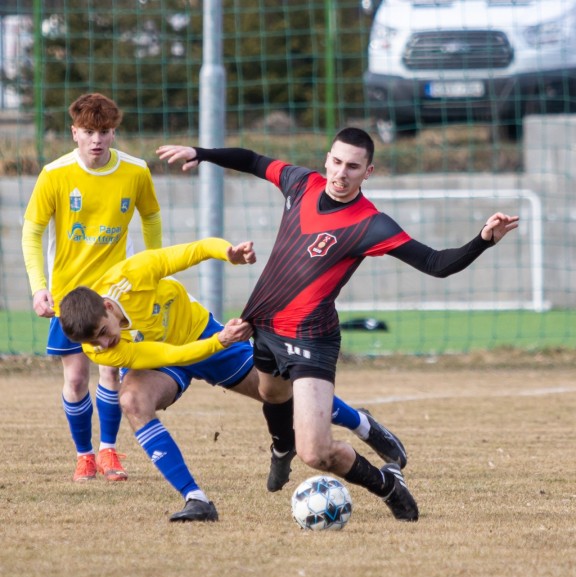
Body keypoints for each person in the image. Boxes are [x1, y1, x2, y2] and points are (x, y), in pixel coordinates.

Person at [157, 127, 519, 521]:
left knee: (317, 452)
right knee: (272, 395)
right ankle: (281, 447)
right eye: (336, 161)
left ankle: (387, 485)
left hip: (312, 337)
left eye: (353, 167)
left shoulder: (371, 224)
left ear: (369, 172)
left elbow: (436, 264)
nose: (341, 173)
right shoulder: (301, 183)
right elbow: (254, 161)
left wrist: (484, 239)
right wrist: (201, 152)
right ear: (326, 159)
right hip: (264, 325)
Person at [58, 237, 409, 522]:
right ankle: (196, 499)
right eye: (94, 342)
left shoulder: (132, 274)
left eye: (103, 332)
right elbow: (169, 357)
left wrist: (227, 253)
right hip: (176, 356)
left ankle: (364, 425)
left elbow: (191, 251)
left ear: (107, 306)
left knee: (277, 390)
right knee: (132, 400)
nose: (104, 344)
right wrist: (220, 341)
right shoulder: (99, 350)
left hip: (201, 332)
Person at [22, 93, 163, 483]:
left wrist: (153, 270)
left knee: (112, 373)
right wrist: (39, 287)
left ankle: (109, 451)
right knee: (75, 379)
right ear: (74, 133)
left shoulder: (135, 172)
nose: (96, 139)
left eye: (103, 131)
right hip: (69, 295)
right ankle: (84, 455)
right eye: (88, 132)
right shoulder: (55, 174)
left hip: (115, 292)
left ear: (114, 132)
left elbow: (151, 218)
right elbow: (32, 232)